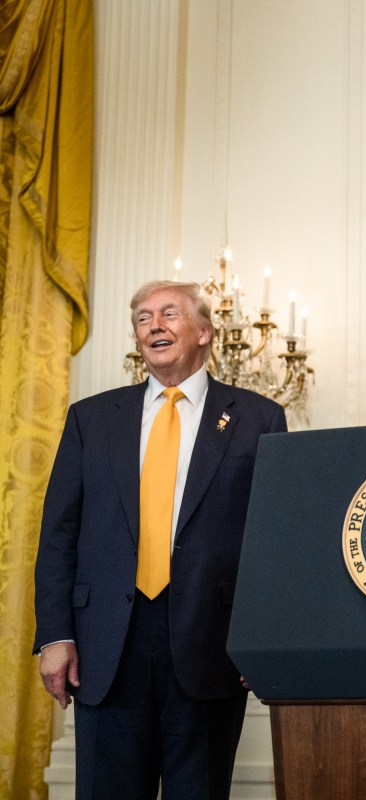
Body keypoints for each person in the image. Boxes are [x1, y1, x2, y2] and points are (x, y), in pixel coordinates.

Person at [34, 281, 287, 800]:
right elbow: (60, 532)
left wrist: (262, 636)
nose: (154, 325)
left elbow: (274, 538)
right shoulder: (92, 418)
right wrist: (56, 635)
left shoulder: (259, 417)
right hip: (107, 643)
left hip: (210, 643)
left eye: (169, 313)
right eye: (142, 318)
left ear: (205, 332)